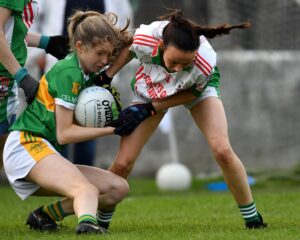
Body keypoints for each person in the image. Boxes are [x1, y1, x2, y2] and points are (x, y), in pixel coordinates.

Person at [105, 9, 267, 229]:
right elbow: (128, 49)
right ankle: (98, 221)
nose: (178, 68)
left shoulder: (204, 62)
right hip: (153, 85)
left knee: (222, 151)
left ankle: (253, 219)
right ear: (162, 46)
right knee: (124, 162)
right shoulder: (145, 38)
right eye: (174, 62)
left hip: (193, 89)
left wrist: (149, 110)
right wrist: (106, 77)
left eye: (185, 64)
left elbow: (194, 93)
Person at [3, 10, 132, 235]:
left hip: (44, 150)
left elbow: (131, 44)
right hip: (26, 145)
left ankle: (45, 216)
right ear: (80, 47)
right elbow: (65, 134)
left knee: (117, 188)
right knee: (86, 190)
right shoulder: (69, 72)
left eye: (108, 55)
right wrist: (113, 128)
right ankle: (88, 226)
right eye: (100, 53)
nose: (104, 61)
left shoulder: (85, 71)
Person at [0, 0, 68, 169]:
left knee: (4, 151)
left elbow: (10, 32)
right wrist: (21, 75)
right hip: (4, 77)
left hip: (7, 80)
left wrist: (46, 42)